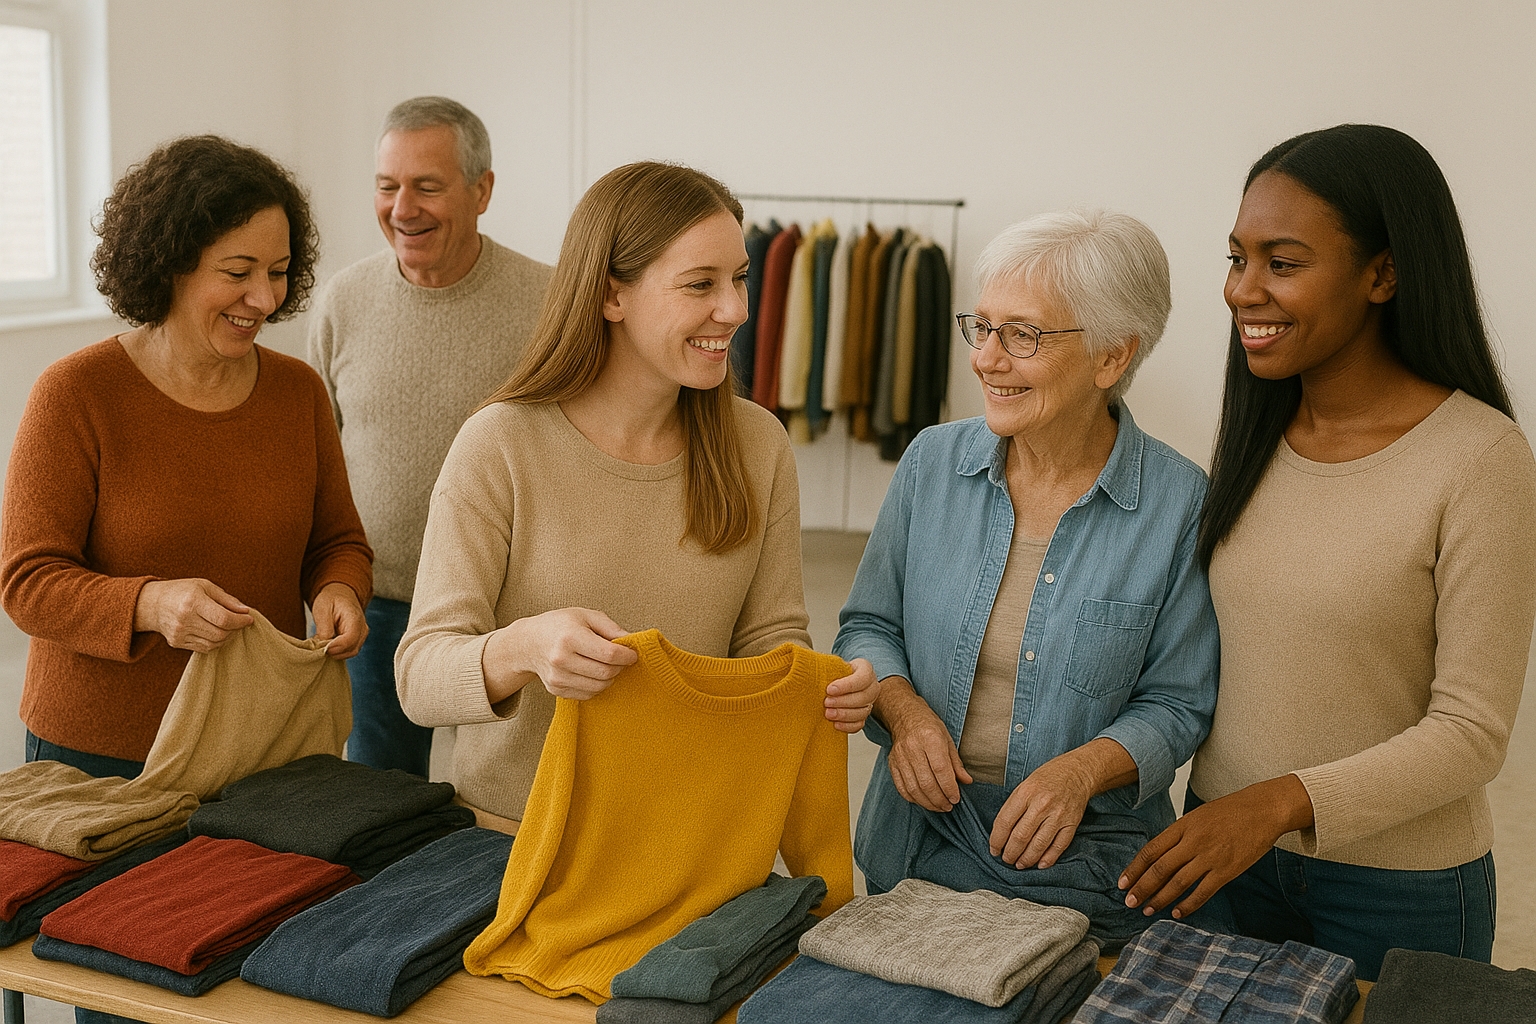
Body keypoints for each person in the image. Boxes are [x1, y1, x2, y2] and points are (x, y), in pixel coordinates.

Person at [1118, 124, 1536, 980]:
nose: (1244, 290)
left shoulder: (1482, 458)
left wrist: (1273, 807)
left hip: (1397, 888)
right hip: (1221, 854)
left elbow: (1472, 733)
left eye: (1283, 262)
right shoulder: (1257, 436)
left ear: (1382, 273)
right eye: (1237, 258)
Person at [0, 134, 372, 1024]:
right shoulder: (77, 394)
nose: (264, 298)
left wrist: (339, 590)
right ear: (167, 263)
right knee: (121, 994)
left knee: (245, 986)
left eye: (280, 272)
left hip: (256, 752)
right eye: (236, 271)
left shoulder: (296, 393)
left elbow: (338, 538)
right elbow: (25, 580)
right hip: (104, 760)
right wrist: (148, 601)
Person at [395, 161, 878, 824]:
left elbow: (770, 634)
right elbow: (419, 677)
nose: (736, 309)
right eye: (700, 284)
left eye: (739, 278)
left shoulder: (758, 444)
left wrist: (811, 683)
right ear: (611, 296)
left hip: (692, 837)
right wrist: (525, 648)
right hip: (514, 842)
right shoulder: (500, 444)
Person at [833, 210, 1219, 912]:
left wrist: (1079, 773)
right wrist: (907, 713)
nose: (985, 358)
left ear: (1112, 357)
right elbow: (867, 627)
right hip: (916, 846)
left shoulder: (1180, 502)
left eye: (1024, 335)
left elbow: (1179, 701)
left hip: (1090, 871)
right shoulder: (931, 463)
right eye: (982, 327)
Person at [310, 96, 553, 778]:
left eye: (427, 186)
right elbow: (320, 456)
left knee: (506, 793)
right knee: (381, 796)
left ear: (482, 191)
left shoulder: (547, 302)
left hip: (510, 607)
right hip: (379, 604)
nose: (402, 208)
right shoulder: (343, 300)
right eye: (387, 187)